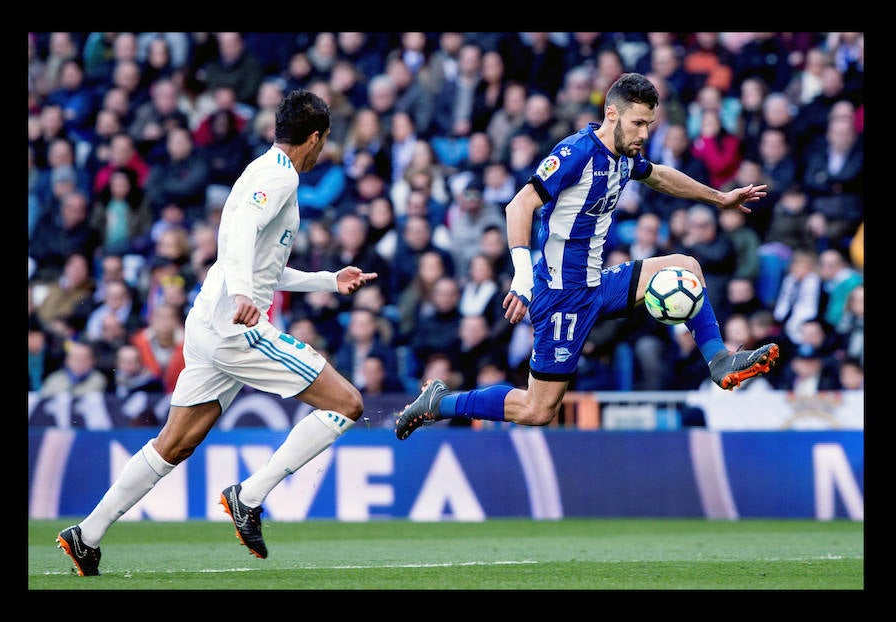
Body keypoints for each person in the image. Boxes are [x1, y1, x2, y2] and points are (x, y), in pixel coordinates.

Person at [57, 90, 378, 576]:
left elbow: (263, 264)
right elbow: (242, 232)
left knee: (176, 443)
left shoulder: (263, 170)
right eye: (324, 141)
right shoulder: (278, 177)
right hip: (235, 327)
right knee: (347, 403)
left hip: (209, 321)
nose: (322, 150)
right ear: (314, 139)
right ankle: (248, 497)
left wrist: (327, 281)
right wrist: (247, 294)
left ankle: (87, 535)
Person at [394, 73, 780, 440]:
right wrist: (523, 277)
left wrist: (719, 197)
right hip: (560, 295)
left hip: (596, 284)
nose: (644, 134)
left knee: (687, 267)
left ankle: (719, 361)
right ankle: (439, 403)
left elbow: (660, 175)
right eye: (638, 123)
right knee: (537, 410)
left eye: (649, 125)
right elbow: (519, 205)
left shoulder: (625, 156)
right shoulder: (576, 152)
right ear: (611, 113)